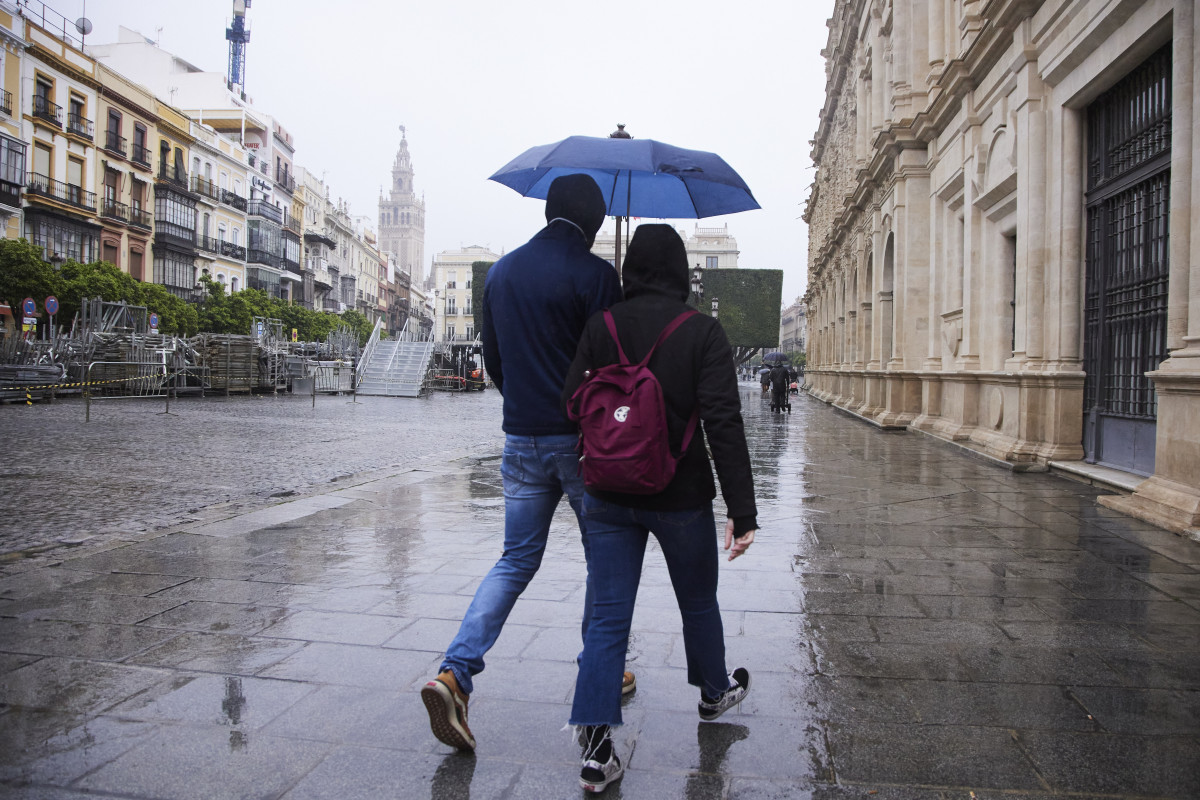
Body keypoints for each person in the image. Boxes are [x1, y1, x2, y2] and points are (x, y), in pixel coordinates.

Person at [421, 174, 630, 752]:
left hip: (520, 438)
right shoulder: (595, 275)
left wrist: (524, 402)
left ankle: (455, 671)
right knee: (603, 559)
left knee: (514, 561)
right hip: (581, 442)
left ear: (548, 211)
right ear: (590, 222)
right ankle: (602, 670)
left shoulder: (504, 271)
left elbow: (493, 359)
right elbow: (611, 365)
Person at [561, 224, 757, 793]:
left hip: (607, 493)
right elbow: (724, 423)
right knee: (697, 600)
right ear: (681, 273)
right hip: (681, 495)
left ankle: (597, 750)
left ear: (629, 272)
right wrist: (742, 511)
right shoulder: (703, 332)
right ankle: (714, 692)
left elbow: (572, 401)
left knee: (607, 618)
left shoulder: (601, 326)